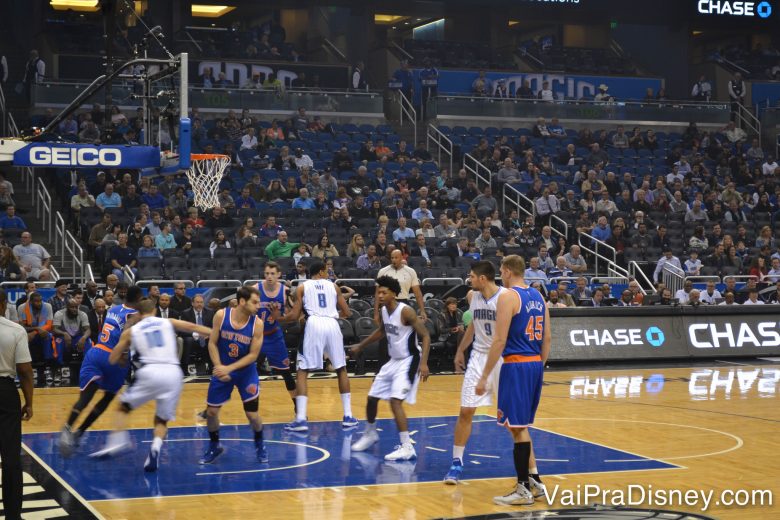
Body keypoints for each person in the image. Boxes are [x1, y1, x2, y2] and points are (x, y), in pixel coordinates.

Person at [442, 261, 545, 495]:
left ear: (482, 278)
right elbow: (474, 326)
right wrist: (461, 350)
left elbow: (503, 337)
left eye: (471, 276)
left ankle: (533, 474)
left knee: (514, 425)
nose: (468, 280)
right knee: (465, 411)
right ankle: (456, 462)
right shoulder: (472, 296)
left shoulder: (506, 297)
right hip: (478, 357)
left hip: (502, 359)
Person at [89, 299, 211, 471]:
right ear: (154, 310)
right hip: (173, 373)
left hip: (150, 371)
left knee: (122, 408)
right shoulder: (168, 322)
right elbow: (193, 328)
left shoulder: (132, 331)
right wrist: (215, 333)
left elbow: (112, 359)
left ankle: (118, 442)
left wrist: (123, 355)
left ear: (138, 313)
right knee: (161, 420)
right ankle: (155, 448)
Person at [476, 255, 550, 506]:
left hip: (516, 365)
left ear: (507, 271)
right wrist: (539, 367)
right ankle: (535, 481)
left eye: (501, 271)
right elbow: (547, 339)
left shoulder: (508, 296)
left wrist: (485, 375)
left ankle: (522, 489)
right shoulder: (539, 296)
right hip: (535, 364)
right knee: (519, 425)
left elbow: (499, 340)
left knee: (516, 428)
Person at [349, 276, 430, 460]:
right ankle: (370, 433)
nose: (380, 295)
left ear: (394, 293)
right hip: (393, 361)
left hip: (409, 360)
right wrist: (360, 346)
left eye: (384, 292)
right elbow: (382, 331)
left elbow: (425, 336)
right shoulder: (385, 310)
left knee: (395, 402)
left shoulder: (406, 311)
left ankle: (407, 447)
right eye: (379, 292)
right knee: (371, 398)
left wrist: (424, 363)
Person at [58, 286, 143, 457]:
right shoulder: (134, 314)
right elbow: (127, 329)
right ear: (139, 299)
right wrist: (125, 353)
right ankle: (80, 432)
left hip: (97, 352)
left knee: (85, 397)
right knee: (108, 397)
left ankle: (67, 429)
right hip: (115, 357)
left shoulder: (114, 308)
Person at [276, 261, 357, 432]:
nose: (328, 273)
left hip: (313, 323)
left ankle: (300, 419)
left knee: (302, 370)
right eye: (326, 271)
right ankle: (348, 416)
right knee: (341, 368)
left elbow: (294, 316)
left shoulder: (302, 287)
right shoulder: (334, 287)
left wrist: (278, 317)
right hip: (332, 323)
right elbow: (348, 313)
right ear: (320, 272)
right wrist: (332, 316)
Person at [200, 286, 267, 465]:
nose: (258, 306)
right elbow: (212, 343)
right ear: (242, 301)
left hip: (246, 372)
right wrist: (219, 366)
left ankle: (260, 444)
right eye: (255, 302)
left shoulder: (257, 324)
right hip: (223, 368)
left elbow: (253, 355)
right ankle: (214, 445)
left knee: (252, 415)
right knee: (212, 412)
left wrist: (229, 369)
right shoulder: (221, 316)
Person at [0, 288, 34, 520]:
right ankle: (13, 515)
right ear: (3, 304)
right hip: (4, 392)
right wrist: (29, 402)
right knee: (11, 457)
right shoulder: (14, 330)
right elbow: (24, 371)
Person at [256, 262, 296, 413]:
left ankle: (297, 406)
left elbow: (294, 314)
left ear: (279, 274)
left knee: (286, 372)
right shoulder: (256, 289)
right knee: (246, 370)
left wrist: (281, 317)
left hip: (274, 336)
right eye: (267, 273)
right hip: (257, 337)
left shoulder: (285, 292)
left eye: (272, 273)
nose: (269, 277)